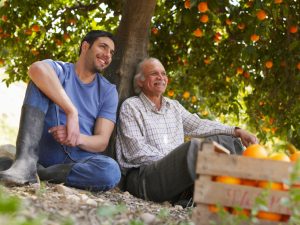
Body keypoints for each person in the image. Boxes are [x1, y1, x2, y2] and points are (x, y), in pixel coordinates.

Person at [116, 57, 258, 205]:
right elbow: (136, 152)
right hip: (145, 178)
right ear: (140, 81)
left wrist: (236, 131)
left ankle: (238, 190)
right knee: (195, 148)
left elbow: (199, 125)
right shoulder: (131, 106)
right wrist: (176, 160)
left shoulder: (174, 106)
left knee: (228, 141)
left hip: (175, 178)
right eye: (154, 73)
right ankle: (192, 193)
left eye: (163, 74)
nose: (161, 77)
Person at [0, 30, 121, 191]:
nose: (108, 55)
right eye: (103, 47)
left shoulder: (108, 90)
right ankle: (24, 162)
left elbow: (101, 141)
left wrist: (76, 138)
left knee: (110, 171)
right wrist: (72, 112)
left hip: (78, 162)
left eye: (111, 52)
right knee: (39, 80)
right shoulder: (60, 70)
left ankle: (38, 173)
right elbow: (36, 68)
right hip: (43, 153)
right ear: (85, 46)